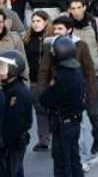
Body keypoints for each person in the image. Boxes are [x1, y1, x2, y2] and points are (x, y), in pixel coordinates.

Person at [64, 0, 98, 157]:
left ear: (84, 7)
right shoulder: (66, 25)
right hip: (73, 75)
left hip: (93, 74)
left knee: (92, 111)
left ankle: (97, 135)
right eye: (73, 8)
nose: (76, 11)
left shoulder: (94, 24)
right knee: (76, 113)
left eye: (79, 7)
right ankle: (79, 148)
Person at [39, 36, 86, 177]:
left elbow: (45, 99)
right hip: (74, 122)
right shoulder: (76, 71)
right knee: (74, 159)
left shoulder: (61, 77)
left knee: (62, 162)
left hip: (64, 124)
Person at [0, 49, 32, 177]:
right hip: (12, 142)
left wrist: (4, 143)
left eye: (2, 68)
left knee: (10, 171)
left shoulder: (17, 93)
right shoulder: (9, 87)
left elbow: (14, 122)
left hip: (13, 143)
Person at [23, 11, 52, 152]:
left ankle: (55, 132)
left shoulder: (51, 38)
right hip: (33, 80)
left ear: (46, 22)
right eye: (33, 21)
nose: (35, 24)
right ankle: (44, 140)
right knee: (40, 109)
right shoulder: (27, 38)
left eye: (38, 21)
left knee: (52, 109)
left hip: (49, 80)